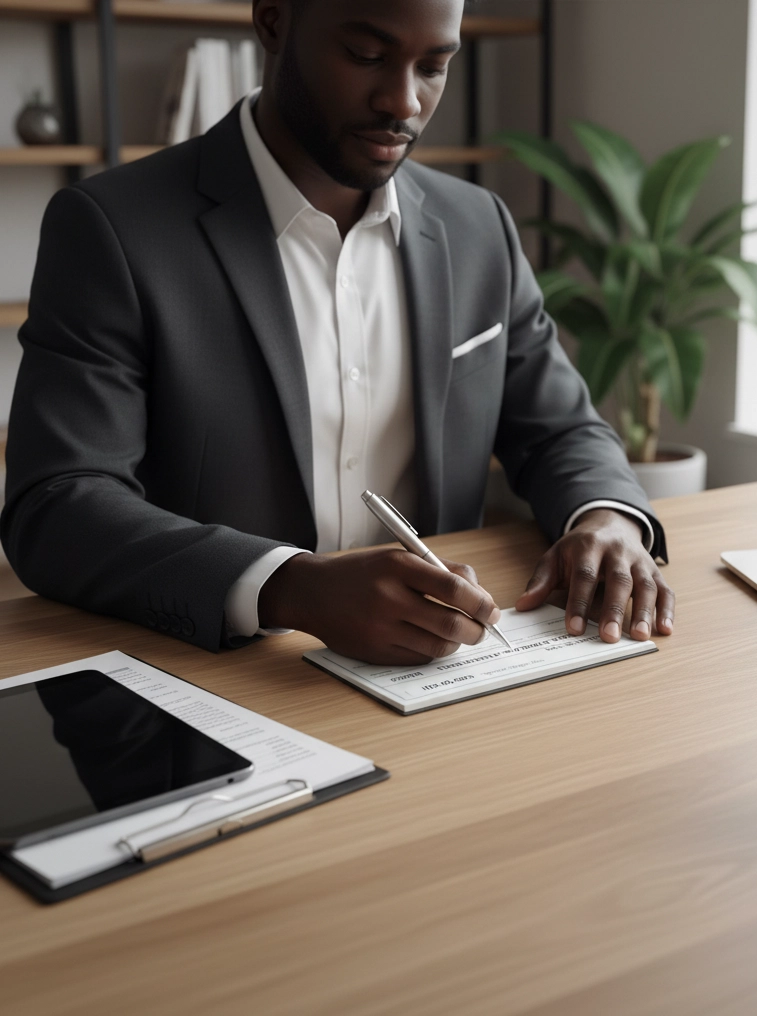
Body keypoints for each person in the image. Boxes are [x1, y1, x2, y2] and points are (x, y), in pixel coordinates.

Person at [2, 0, 674, 666]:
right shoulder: (112, 228)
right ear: (272, 20)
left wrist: (606, 518)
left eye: (434, 66)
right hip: (221, 681)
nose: (403, 101)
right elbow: (58, 506)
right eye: (367, 56)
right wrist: (290, 587)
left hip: (443, 671)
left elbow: (560, 429)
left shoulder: (478, 227)